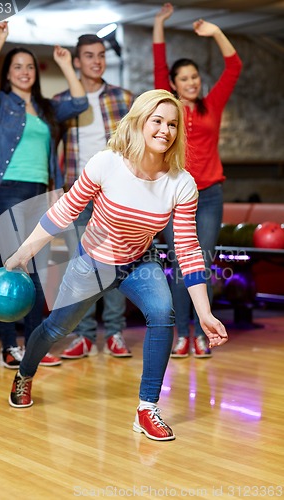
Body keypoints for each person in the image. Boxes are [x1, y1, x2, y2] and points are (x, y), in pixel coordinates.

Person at [5, 89, 228, 442]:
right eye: (157, 121)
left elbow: (187, 248)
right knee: (55, 329)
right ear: (140, 122)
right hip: (92, 263)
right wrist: (22, 254)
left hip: (140, 261)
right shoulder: (106, 163)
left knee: (162, 311)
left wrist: (203, 313)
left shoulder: (181, 183)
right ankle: (25, 373)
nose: (164, 130)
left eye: (172, 124)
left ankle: (147, 408)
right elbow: (64, 211)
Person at [0, 21, 89, 368]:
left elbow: (80, 101)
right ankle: (10, 347)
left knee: (37, 275)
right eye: (17, 67)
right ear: (8, 74)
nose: (24, 72)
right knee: (8, 271)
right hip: (6, 192)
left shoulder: (47, 109)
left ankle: (34, 347)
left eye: (28, 67)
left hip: (41, 196)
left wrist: (67, 64)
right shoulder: (1, 103)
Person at [153, 3, 242, 358]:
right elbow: (159, 63)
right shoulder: (168, 108)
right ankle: (180, 335)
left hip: (209, 196)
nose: (191, 82)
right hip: (175, 196)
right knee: (179, 264)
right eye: (184, 78)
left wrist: (216, 32)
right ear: (173, 85)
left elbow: (234, 67)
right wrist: (159, 23)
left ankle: (201, 333)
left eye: (195, 77)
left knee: (201, 261)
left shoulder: (213, 104)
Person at [54, 34, 134, 360]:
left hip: (114, 193)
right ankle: (84, 335)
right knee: (81, 266)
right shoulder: (62, 102)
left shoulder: (124, 98)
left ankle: (114, 333)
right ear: (77, 61)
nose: (96, 61)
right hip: (78, 191)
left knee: (114, 264)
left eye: (101, 55)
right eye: (89, 56)